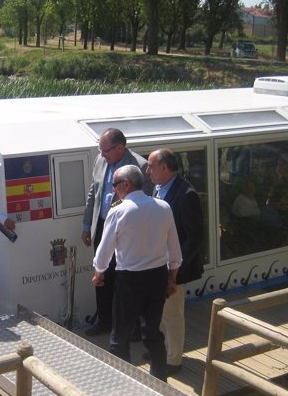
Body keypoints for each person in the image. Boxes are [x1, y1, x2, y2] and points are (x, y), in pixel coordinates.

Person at [92, 165, 181, 382]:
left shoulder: (118, 211)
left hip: (130, 280)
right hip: (158, 277)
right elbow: (175, 251)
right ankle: (160, 381)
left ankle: (124, 383)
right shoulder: (164, 207)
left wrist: (99, 273)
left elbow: (104, 251)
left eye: (114, 185)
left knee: (120, 336)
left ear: (126, 184)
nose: (113, 190)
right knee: (152, 333)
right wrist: (172, 279)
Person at [82, 127, 149, 337]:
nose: (102, 155)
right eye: (100, 151)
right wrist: (86, 225)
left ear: (120, 148)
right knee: (101, 275)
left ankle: (134, 326)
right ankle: (104, 321)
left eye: (106, 151)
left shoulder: (140, 166)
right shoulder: (100, 161)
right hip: (102, 226)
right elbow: (94, 192)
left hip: (127, 232)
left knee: (127, 278)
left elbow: (144, 206)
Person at [146, 149, 203, 375]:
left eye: (151, 166)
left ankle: (173, 360)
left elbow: (195, 237)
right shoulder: (157, 188)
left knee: (172, 314)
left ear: (165, 168)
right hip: (157, 264)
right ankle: (160, 351)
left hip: (175, 268)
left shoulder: (187, 194)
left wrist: (175, 269)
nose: (147, 171)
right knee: (157, 313)